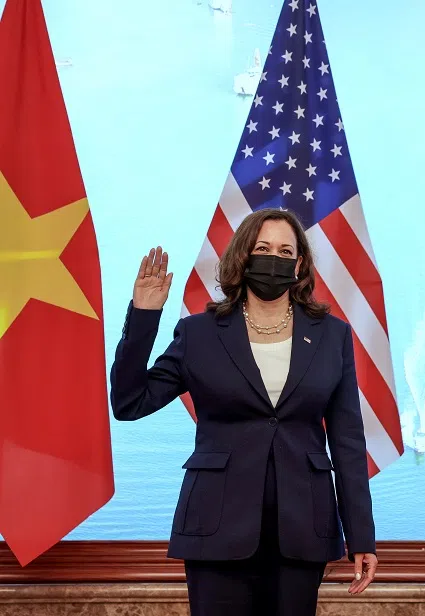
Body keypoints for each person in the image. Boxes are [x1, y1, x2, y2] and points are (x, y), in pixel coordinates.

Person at [110, 208, 377, 616]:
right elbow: (129, 403)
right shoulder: (199, 333)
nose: (275, 258)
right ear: (242, 257)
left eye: (286, 250)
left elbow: (348, 442)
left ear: (299, 263)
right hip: (216, 526)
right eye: (263, 248)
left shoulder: (332, 335)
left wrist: (361, 536)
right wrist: (145, 316)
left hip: (302, 527)